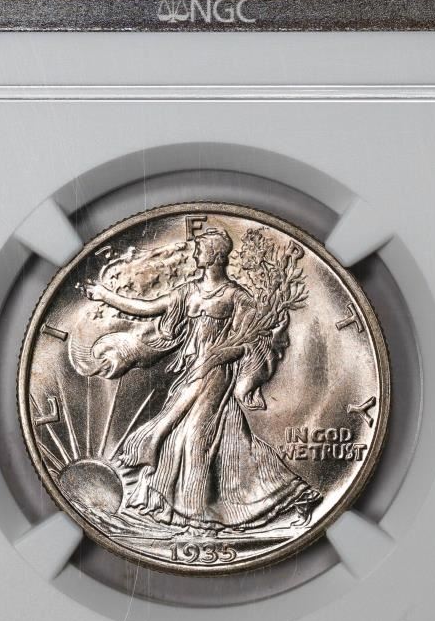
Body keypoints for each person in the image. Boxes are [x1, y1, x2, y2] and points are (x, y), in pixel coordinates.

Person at [85, 226, 320, 532]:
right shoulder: (188, 292)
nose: (195, 253)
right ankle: (211, 509)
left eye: (200, 249)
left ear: (216, 256)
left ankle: (200, 515)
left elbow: (251, 341)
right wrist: (105, 296)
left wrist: (221, 355)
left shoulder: (236, 296)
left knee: (195, 439)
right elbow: (148, 308)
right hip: (192, 373)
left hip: (217, 375)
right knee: (186, 439)